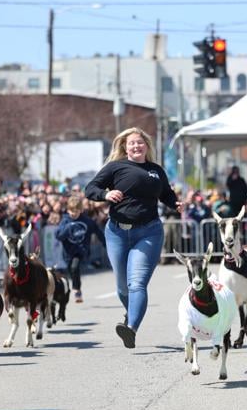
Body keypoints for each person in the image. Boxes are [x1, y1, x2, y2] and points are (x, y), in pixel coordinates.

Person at [85, 127, 181, 349]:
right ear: (124, 147)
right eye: (132, 143)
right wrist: (105, 194)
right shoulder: (115, 167)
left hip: (148, 232)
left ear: (146, 145)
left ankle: (132, 328)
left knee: (137, 282)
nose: (136, 146)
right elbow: (90, 188)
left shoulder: (156, 170)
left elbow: (166, 193)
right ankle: (131, 314)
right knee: (122, 288)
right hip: (117, 232)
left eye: (140, 142)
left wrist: (175, 204)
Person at [55, 195, 103, 303]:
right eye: (72, 211)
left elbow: (98, 232)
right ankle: (77, 287)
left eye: (76, 212)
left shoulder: (87, 221)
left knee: (74, 267)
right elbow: (58, 236)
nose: (73, 214)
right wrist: (67, 229)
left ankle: (77, 290)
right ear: (68, 210)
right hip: (68, 251)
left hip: (81, 250)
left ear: (81, 210)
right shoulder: (65, 221)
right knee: (71, 269)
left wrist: (106, 244)